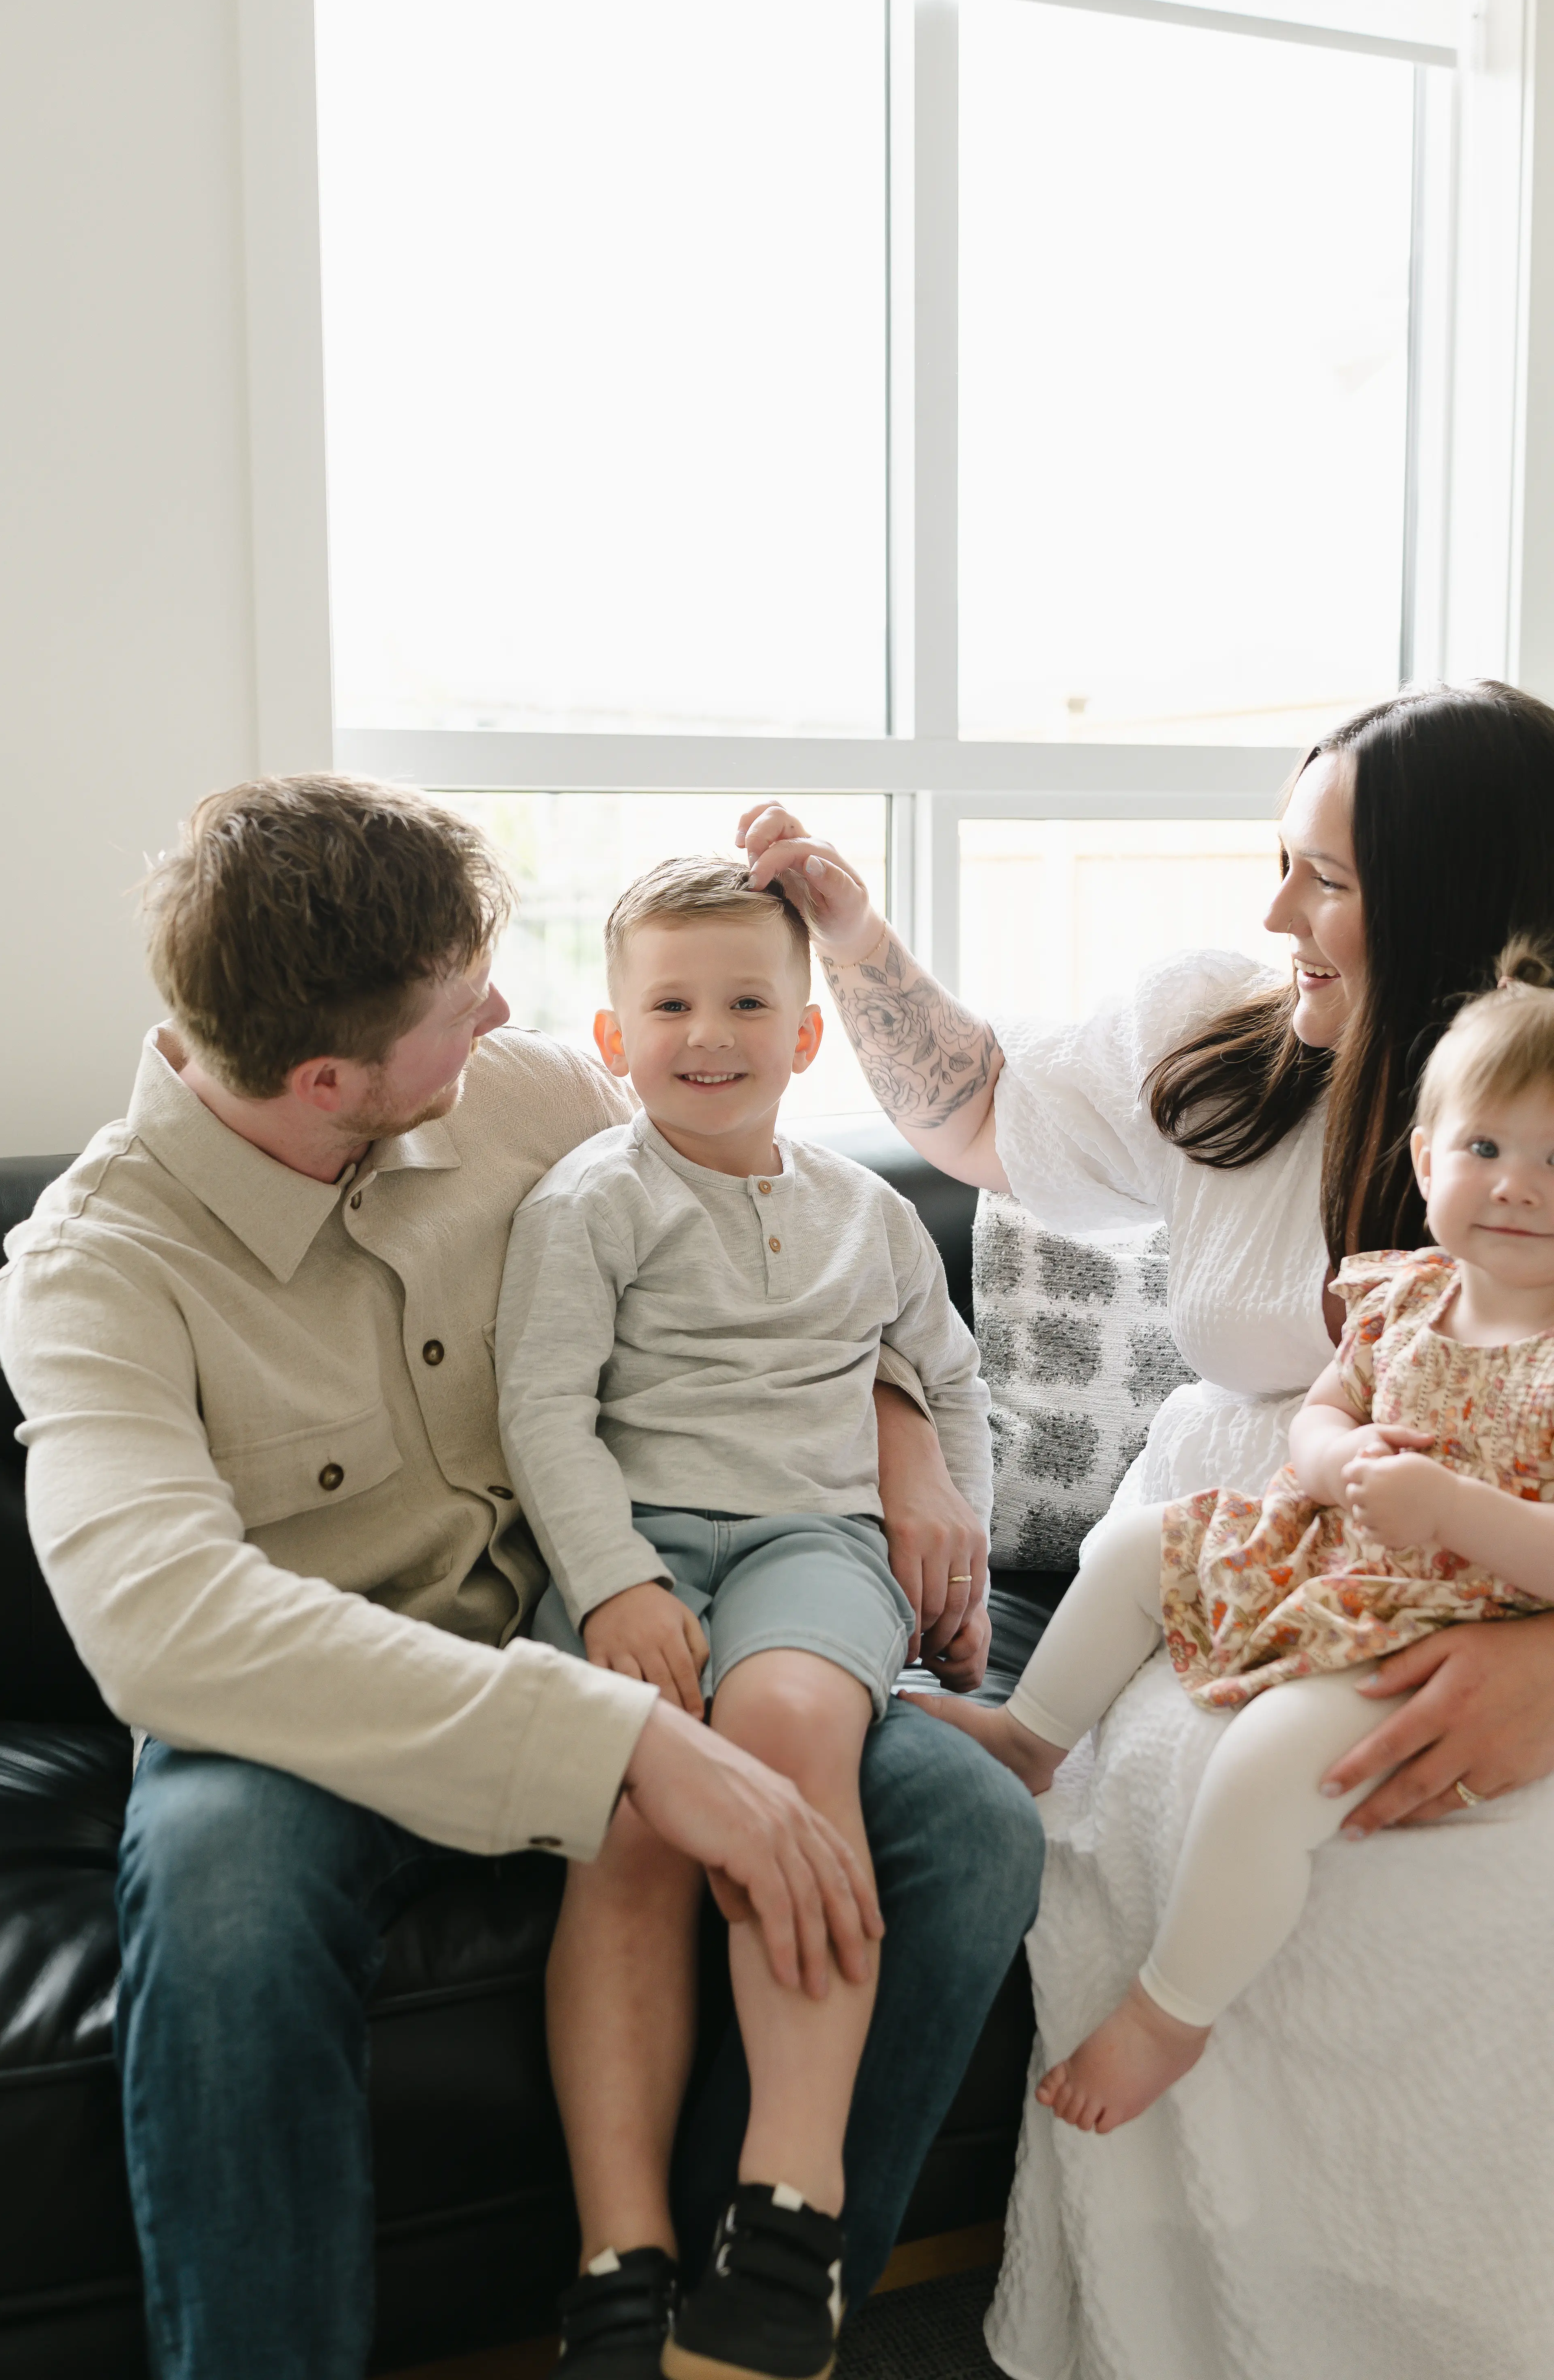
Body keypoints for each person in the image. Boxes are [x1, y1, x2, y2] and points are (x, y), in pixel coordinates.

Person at [0, 776, 1043, 2380]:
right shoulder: (93, 1268)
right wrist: (627, 1745)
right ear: (332, 1077)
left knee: (966, 1828)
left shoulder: (523, 1093)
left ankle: (729, 2316)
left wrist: (904, 1430)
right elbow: (162, 1630)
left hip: (646, 1627)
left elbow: (782, 1241)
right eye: (459, 1002)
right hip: (321, 1720)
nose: (500, 1007)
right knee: (225, 1891)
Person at [740, 682, 1554, 2379]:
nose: (1275, 916)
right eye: (1279, 864)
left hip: (1505, 1572)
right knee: (1210, 1808)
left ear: (1470, 895)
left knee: (1464, 1889)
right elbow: (979, 1127)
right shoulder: (1228, 1039)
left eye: (1323, 877)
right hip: (1257, 1544)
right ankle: (1197, 2320)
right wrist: (852, 934)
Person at [495, 856, 992, 2380]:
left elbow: (951, 1376)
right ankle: (619, 2260)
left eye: (747, 1002)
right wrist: (616, 1584)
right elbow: (543, 1411)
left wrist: (952, 1542)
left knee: (778, 1735)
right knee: (641, 1803)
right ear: (610, 1035)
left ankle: (790, 2216)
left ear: (807, 1037)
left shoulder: (870, 1213)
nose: (707, 1033)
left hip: (813, 1542)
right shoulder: (591, 1200)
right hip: (636, 1542)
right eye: (669, 1004)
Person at [955, 949, 1554, 2137]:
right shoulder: (1401, 1293)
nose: (1517, 1189)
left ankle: (1174, 2012)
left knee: (1272, 1765)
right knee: (1134, 1553)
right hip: (1330, 1551)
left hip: (1450, 1619)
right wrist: (1332, 1458)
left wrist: (1451, 1512)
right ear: (1428, 1160)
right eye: (1485, 1150)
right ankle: (1030, 1737)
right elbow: (1334, 1402)